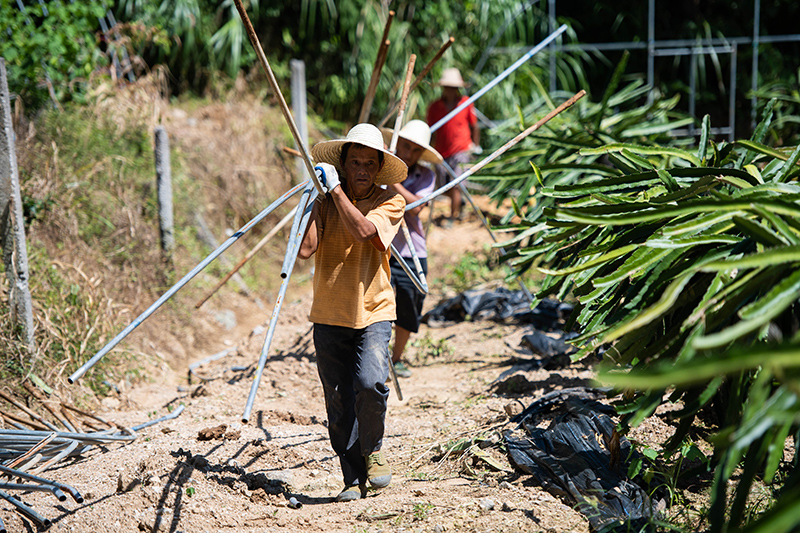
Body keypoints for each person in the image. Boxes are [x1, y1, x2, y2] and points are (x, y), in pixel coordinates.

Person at [299, 123, 407, 502]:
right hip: (328, 313)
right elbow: (305, 250)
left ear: (378, 169)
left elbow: (366, 233)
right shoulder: (326, 201)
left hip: (373, 309)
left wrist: (336, 191)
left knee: (371, 383)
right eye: (355, 162)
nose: (362, 169)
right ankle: (351, 476)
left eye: (368, 163)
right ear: (343, 165)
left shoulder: (390, 203)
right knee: (338, 398)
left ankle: (373, 452)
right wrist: (315, 201)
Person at [380, 120, 443, 379]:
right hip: (380, 247)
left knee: (408, 303)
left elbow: (415, 207)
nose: (409, 154)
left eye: (415, 150)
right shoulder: (376, 167)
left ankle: (395, 358)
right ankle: (375, 357)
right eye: (405, 146)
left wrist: (391, 179)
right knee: (377, 305)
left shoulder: (425, 176)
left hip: (411, 251)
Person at [426, 67, 480, 224]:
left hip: (461, 149)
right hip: (441, 152)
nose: (450, 91)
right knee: (444, 185)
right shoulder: (434, 107)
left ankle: (452, 217)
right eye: (447, 88)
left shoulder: (465, 103)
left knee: (457, 183)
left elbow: (475, 125)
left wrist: (475, 146)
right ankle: (459, 202)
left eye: (453, 88)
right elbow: (431, 131)